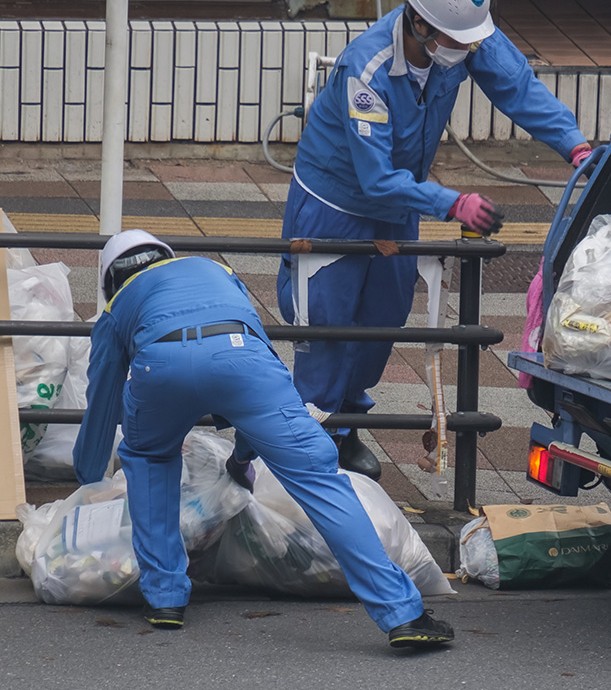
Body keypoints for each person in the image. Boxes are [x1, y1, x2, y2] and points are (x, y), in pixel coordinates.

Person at [277, 0, 592, 480]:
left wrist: (574, 144)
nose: (470, 50)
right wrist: (452, 203)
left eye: (473, 41)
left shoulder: (459, 36)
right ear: (420, 25)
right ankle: (310, 440)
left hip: (402, 203)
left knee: (384, 314)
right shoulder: (367, 68)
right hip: (336, 205)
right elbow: (375, 177)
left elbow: (515, 84)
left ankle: (347, 425)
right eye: (459, 41)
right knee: (327, 323)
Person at [75, 229, 454, 648]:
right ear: (164, 255)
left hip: (159, 367)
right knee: (317, 477)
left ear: (112, 277)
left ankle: (165, 599)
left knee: (148, 457)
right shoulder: (215, 268)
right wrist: (240, 461)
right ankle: (403, 614)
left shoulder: (118, 305)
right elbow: (258, 356)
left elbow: (101, 400)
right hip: (242, 355)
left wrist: (88, 478)